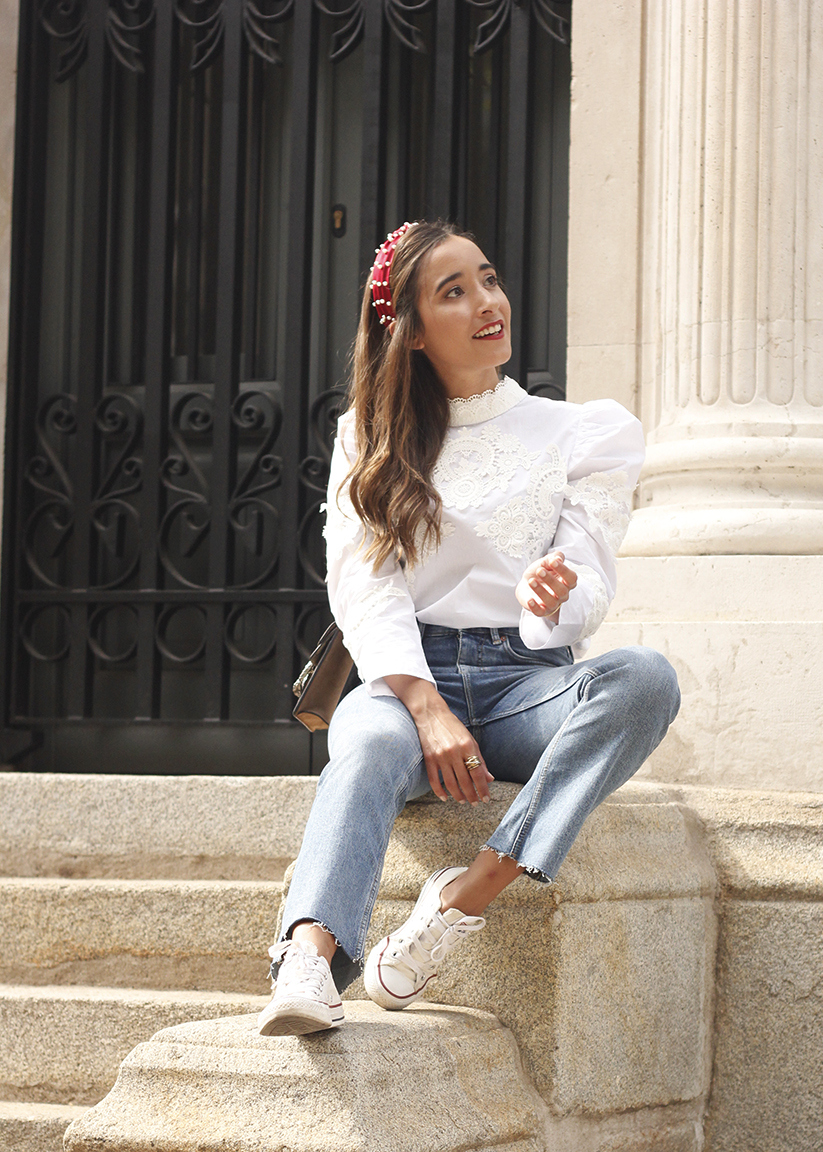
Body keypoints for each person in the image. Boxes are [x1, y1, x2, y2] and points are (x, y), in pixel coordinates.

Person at [257, 220, 680, 1036]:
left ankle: (461, 897)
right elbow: (362, 585)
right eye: (455, 291)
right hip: (408, 674)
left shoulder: (582, 431)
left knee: (646, 678)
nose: (489, 302)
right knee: (372, 743)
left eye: (488, 278)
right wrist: (426, 707)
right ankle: (309, 957)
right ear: (411, 334)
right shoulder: (369, 438)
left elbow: (588, 591)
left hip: (528, 680)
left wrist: (551, 594)